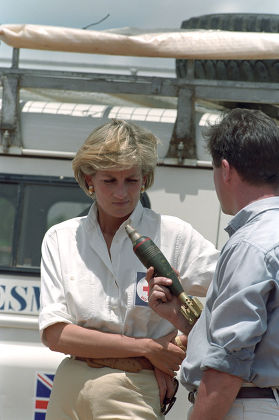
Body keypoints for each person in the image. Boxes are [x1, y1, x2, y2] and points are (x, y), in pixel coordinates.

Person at [39, 119, 219, 420]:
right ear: (88, 180)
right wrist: (148, 348)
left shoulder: (175, 235)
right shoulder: (60, 238)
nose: (122, 193)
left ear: (145, 179)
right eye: (109, 180)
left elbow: (232, 294)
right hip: (68, 384)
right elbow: (55, 335)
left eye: (131, 180)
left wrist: (180, 342)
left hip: (134, 386)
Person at [147, 108, 279, 420]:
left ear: (225, 169)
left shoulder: (250, 244)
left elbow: (230, 360)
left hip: (246, 404)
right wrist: (184, 319)